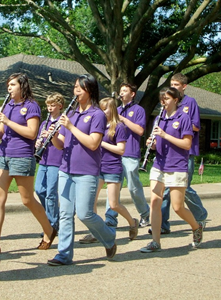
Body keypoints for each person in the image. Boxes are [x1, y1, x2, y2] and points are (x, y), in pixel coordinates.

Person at [47, 74, 117, 266]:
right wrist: (52, 136)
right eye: (75, 87)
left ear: (90, 91)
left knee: (85, 213)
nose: (76, 91)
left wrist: (71, 127)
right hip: (66, 169)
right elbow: (61, 144)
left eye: (80, 88)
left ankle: (109, 236)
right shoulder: (70, 114)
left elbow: (94, 143)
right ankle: (64, 254)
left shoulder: (97, 115)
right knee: (65, 213)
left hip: (87, 171)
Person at [0, 73, 56, 254]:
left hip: (22, 156)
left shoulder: (31, 106)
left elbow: (32, 133)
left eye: (12, 85)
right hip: (3, 155)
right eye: (8, 85)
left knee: (27, 199)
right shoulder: (8, 106)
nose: (9, 88)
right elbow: (1, 133)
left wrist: (8, 121)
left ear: (22, 86)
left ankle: (49, 230)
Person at [140, 87, 203, 253]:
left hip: (177, 166)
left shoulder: (184, 118)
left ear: (175, 100)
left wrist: (165, 135)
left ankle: (196, 226)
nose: (164, 102)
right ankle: (155, 242)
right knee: (155, 203)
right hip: (159, 165)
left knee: (177, 207)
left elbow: (187, 144)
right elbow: (158, 143)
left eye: (167, 99)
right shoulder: (159, 119)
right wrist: (152, 144)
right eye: (162, 99)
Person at [152, 73, 207, 235]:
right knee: (161, 195)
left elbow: (196, 126)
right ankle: (161, 225)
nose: (173, 87)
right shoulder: (162, 112)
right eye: (172, 84)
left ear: (184, 87)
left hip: (184, 153)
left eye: (176, 85)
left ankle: (200, 216)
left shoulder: (190, 103)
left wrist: (177, 124)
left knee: (184, 189)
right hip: (163, 157)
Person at [79, 97, 139, 244]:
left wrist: (103, 144)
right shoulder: (98, 126)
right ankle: (95, 232)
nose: (102, 111)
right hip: (97, 167)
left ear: (112, 110)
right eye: (101, 108)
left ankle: (132, 222)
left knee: (113, 204)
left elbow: (121, 150)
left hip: (113, 168)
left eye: (105, 108)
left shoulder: (118, 127)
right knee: (91, 201)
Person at [104, 83, 150, 228]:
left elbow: (140, 130)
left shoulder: (138, 110)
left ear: (133, 94)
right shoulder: (116, 109)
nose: (121, 93)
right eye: (121, 90)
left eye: (125, 90)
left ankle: (145, 214)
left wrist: (123, 119)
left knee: (133, 187)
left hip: (130, 153)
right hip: (114, 154)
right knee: (113, 186)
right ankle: (110, 218)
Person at [34, 92, 65, 233]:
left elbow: (62, 144)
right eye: (48, 106)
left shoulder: (62, 123)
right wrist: (38, 143)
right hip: (43, 160)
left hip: (56, 160)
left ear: (60, 106)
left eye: (53, 105)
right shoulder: (44, 123)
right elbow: (39, 141)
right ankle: (53, 215)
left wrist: (51, 136)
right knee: (39, 189)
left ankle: (52, 224)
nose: (50, 108)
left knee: (51, 193)